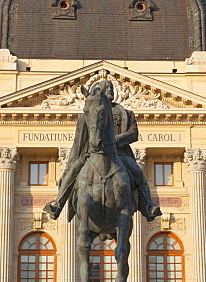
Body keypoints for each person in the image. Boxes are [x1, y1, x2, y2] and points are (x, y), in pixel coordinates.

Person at [43, 80, 162, 221]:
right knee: (73, 171)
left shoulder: (126, 113)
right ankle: (58, 204)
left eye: (111, 87)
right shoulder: (88, 114)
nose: (109, 89)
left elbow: (133, 133)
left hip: (119, 155)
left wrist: (114, 140)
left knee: (138, 174)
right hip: (91, 154)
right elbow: (77, 143)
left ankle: (148, 206)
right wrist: (68, 166)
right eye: (105, 88)